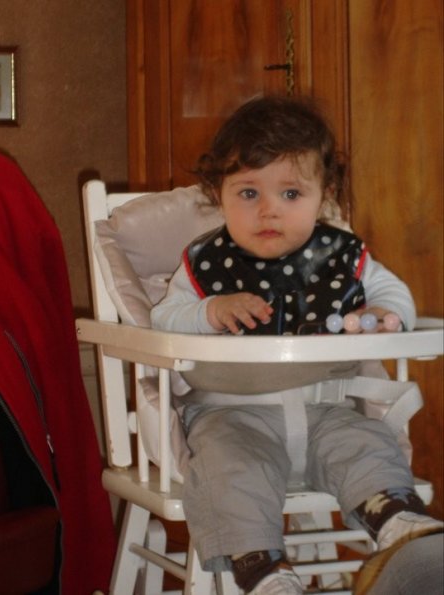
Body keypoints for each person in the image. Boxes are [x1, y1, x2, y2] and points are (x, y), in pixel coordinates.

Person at [151, 96, 443, 594]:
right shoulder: (206, 263)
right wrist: (208, 311)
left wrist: (384, 315)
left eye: (290, 193)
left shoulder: (341, 255)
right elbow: (162, 318)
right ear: (218, 194)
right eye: (248, 192)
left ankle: (397, 521)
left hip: (327, 408)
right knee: (228, 470)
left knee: (366, 443)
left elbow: (395, 295)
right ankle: (263, 570)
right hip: (231, 413)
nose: (269, 209)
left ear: (323, 195)